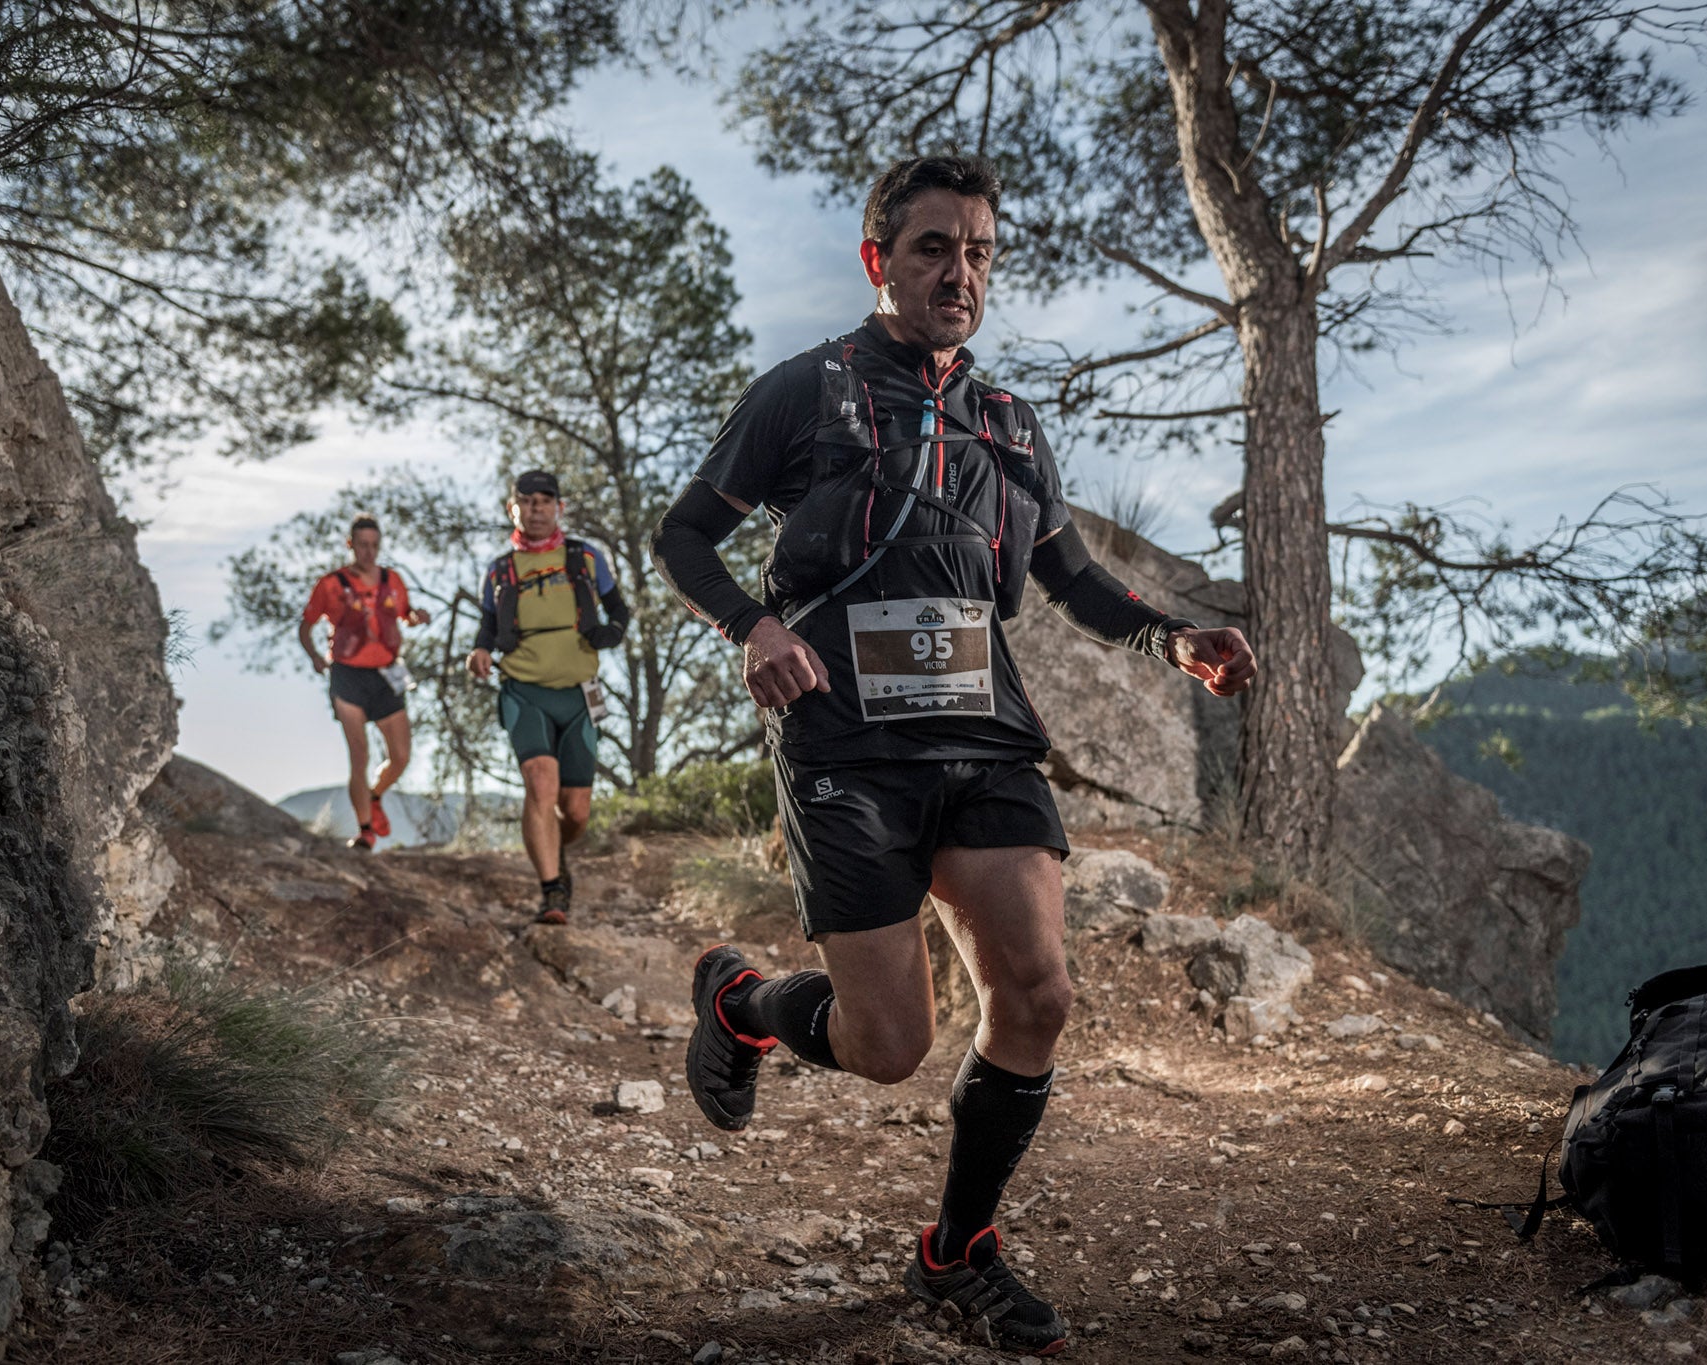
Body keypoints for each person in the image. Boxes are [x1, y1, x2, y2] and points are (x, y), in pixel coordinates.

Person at [650, 155, 1257, 1355]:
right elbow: (683, 536)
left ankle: (956, 1251)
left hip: (981, 738)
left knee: (1035, 994)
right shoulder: (803, 393)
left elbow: (1071, 581)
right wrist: (753, 626)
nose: (958, 272)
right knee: (889, 1048)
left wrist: (1170, 636)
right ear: (879, 261)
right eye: (932, 248)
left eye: (977, 251)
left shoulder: (1008, 424)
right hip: (844, 746)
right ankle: (742, 1001)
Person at [467, 470, 633, 924]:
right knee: (540, 784)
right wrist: (480, 649)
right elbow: (486, 623)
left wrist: (612, 632)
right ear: (512, 508)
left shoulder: (585, 558)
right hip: (524, 689)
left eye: (546, 500)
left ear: (558, 507)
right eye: (528, 500)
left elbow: (619, 608)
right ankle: (552, 891)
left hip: (580, 694)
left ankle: (554, 849)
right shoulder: (500, 570)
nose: (537, 508)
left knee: (576, 810)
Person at [299, 514, 431, 850]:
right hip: (347, 676)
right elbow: (306, 625)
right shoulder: (331, 584)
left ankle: (375, 795)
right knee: (359, 754)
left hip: (387, 675)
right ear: (351, 545)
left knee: (400, 756)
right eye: (362, 545)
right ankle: (365, 831)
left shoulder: (392, 581)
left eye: (374, 545)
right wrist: (315, 656)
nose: (369, 552)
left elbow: (405, 614)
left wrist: (417, 618)